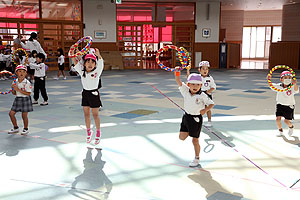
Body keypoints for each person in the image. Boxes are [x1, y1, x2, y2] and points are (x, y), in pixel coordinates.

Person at [175, 67, 214, 167]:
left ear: (201, 85)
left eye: (198, 84)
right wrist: (177, 72)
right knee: (181, 137)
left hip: (196, 119)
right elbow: (178, 81)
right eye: (193, 84)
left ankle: (197, 158)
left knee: (195, 140)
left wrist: (205, 110)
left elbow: (211, 104)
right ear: (188, 85)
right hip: (186, 117)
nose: (195, 86)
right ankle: (190, 131)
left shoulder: (202, 95)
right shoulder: (185, 91)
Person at [72, 47, 104, 145]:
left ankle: (98, 133)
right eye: (88, 62)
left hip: (94, 94)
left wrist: (98, 55)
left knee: (95, 115)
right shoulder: (82, 72)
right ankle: (89, 132)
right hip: (85, 94)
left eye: (92, 62)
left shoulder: (96, 72)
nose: (90, 64)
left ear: (95, 64)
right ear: (84, 63)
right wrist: (73, 53)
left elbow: (101, 62)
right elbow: (75, 62)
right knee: (86, 114)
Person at [187, 61, 216, 127]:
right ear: (199, 70)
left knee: (208, 108)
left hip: (207, 94)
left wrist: (208, 91)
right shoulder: (198, 77)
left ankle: (209, 121)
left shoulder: (210, 78)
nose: (205, 70)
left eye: (207, 69)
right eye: (203, 69)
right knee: (198, 106)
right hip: (199, 93)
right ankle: (197, 118)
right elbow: (190, 79)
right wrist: (188, 70)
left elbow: (213, 86)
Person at [270, 71, 299, 136]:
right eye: (285, 77)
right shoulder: (278, 86)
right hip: (280, 104)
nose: (287, 79)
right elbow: (271, 85)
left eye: (289, 78)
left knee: (286, 121)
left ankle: (291, 127)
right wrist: (268, 78)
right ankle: (280, 131)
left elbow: (296, 91)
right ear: (281, 79)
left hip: (289, 106)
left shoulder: (291, 87)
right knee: (278, 119)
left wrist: (295, 84)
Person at [8, 65, 33, 135]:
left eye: (23, 71)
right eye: (19, 71)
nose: (21, 73)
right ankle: (15, 127)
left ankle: (26, 128)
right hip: (17, 99)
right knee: (11, 114)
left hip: (25, 99)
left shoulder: (27, 83)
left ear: (26, 73)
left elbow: (28, 93)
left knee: (24, 115)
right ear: (16, 73)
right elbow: (14, 93)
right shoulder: (15, 82)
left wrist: (18, 89)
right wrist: (13, 89)